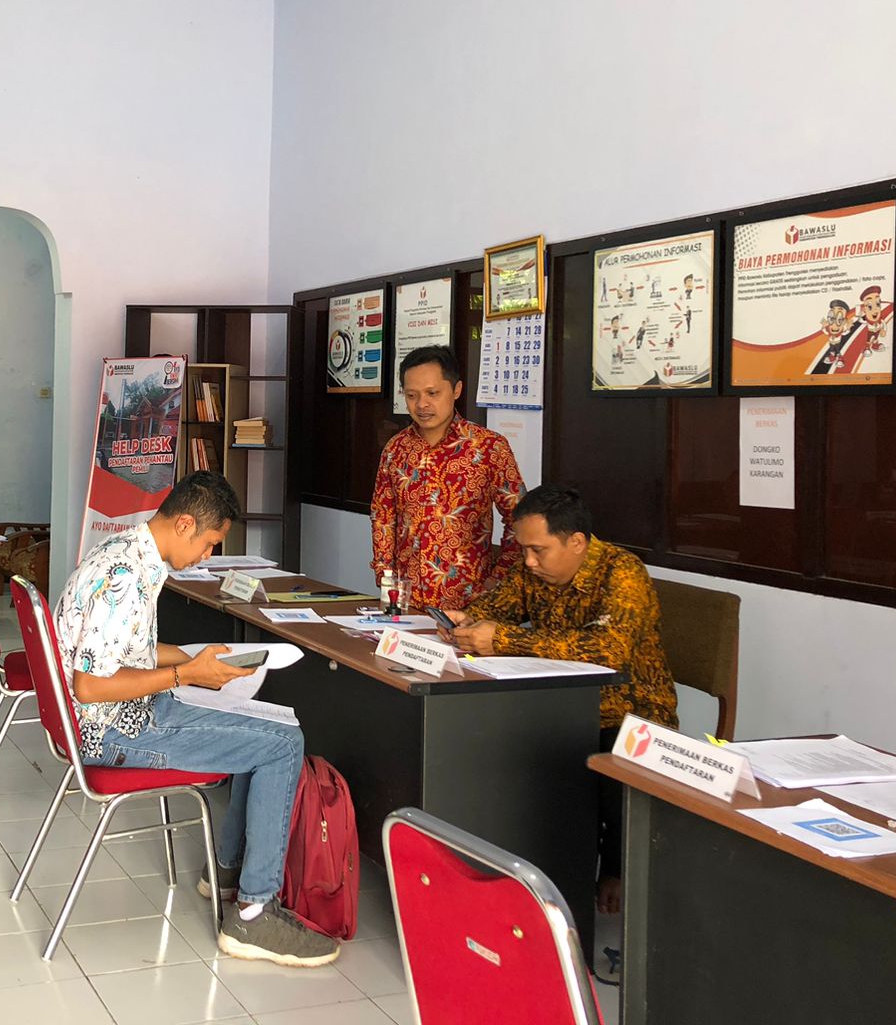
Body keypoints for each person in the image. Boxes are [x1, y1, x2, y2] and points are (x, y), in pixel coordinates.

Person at [55, 471, 339, 967]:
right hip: (113, 730)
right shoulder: (126, 575)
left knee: (271, 728)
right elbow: (91, 685)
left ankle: (227, 871)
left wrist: (193, 657)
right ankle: (253, 915)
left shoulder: (128, 553)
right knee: (282, 745)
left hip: (117, 716)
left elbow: (129, 651)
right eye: (209, 544)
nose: (207, 556)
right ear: (184, 524)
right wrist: (186, 675)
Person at [439, 485, 678, 914]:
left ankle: (615, 872)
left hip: (627, 715)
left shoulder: (623, 572)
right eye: (524, 550)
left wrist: (504, 639)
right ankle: (513, 877)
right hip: (556, 704)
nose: (529, 561)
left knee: (582, 762)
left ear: (577, 542)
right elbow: (496, 608)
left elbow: (608, 650)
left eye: (538, 550)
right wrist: (467, 621)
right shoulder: (534, 571)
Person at [372, 346, 525, 611]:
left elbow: (520, 518)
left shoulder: (489, 447)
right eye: (412, 395)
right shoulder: (396, 449)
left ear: (456, 390)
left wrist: (498, 579)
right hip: (406, 602)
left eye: (432, 393)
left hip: (469, 604)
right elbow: (383, 516)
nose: (422, 404)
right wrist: (385, 576)